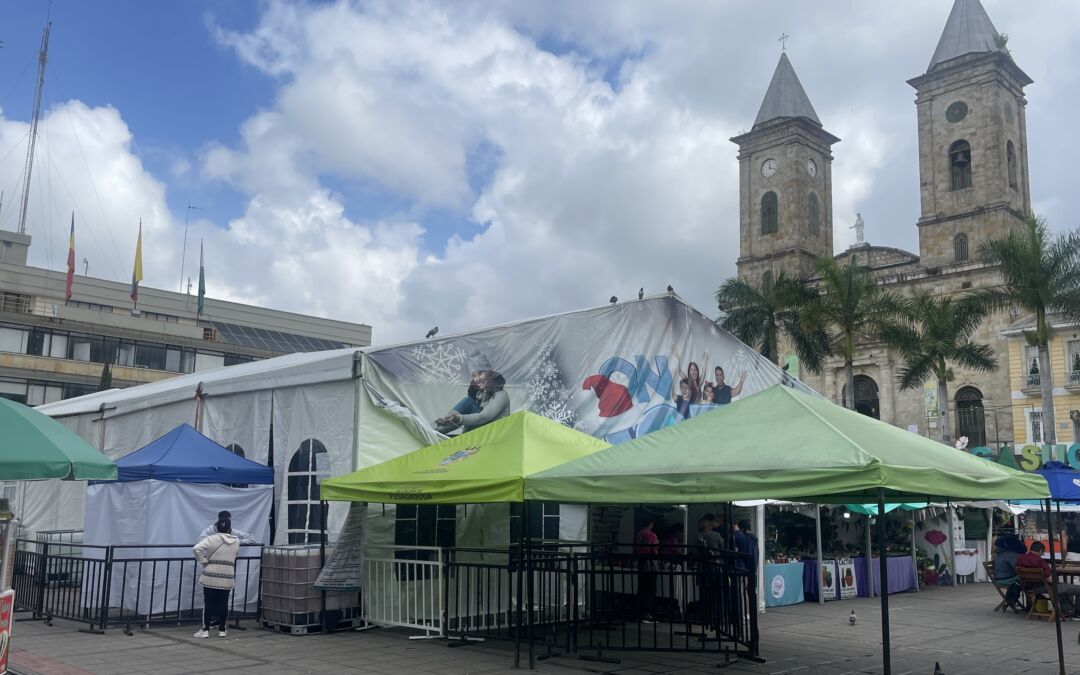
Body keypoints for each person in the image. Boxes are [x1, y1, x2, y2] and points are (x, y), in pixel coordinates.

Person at [193, 513, 241, 638]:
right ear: (230, 528)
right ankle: (222, 629)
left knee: (208, 602)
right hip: (227, 576)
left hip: (211, 575)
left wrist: (204, 561)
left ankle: (205, 629)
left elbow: (196, 548)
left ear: (217, 528)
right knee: (224, 603)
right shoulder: (236, 541)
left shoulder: (211, 538)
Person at [1016, 541, 1080, 616]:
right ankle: (1078, 612)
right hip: (1044, 587)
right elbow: (1049, 580)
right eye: (1042, 553)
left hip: (1028, 587)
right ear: (1040, 551)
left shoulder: (1020, 559)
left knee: (1064, 588)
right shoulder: (1041, 562)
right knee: (1075, 589)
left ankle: (1067, 610)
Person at [438, 370, 510, 433]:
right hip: (484, 427)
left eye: (482, 381)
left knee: (467, 402)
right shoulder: (484, 393)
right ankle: (440, 427)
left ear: (491, 380)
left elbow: (484, 417)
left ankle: (439, 428)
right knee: (468, 401)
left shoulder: (501, 395)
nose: (479, 384)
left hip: (493, 430)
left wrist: (459, 418)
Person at [634, 517, 660, 622]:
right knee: (650, 590)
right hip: (651, 564)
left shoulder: (638, 534)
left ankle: (639, 613)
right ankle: (647, 613)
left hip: (641, 564)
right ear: (651, 523)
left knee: (641, 589)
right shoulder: (652, 535)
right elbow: (655, 550)